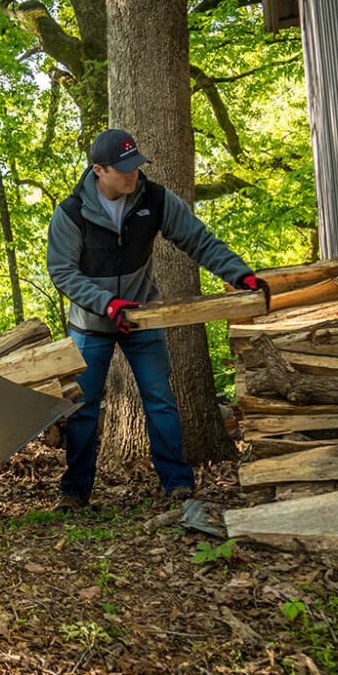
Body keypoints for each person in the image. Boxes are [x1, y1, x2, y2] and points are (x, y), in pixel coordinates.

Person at [46, 128, 268, 509]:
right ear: (99, 170)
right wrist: (107, 303)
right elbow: (63, 272)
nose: (133, 174)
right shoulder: (71, 213)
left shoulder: (155, 199)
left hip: (143, 317)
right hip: (91, 325)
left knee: (160, 400)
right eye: (123, 168)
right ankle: (75, 492)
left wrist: (239, 275)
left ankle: (178, 485)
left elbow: (199, 240)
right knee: (83, 409)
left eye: (136, 165)